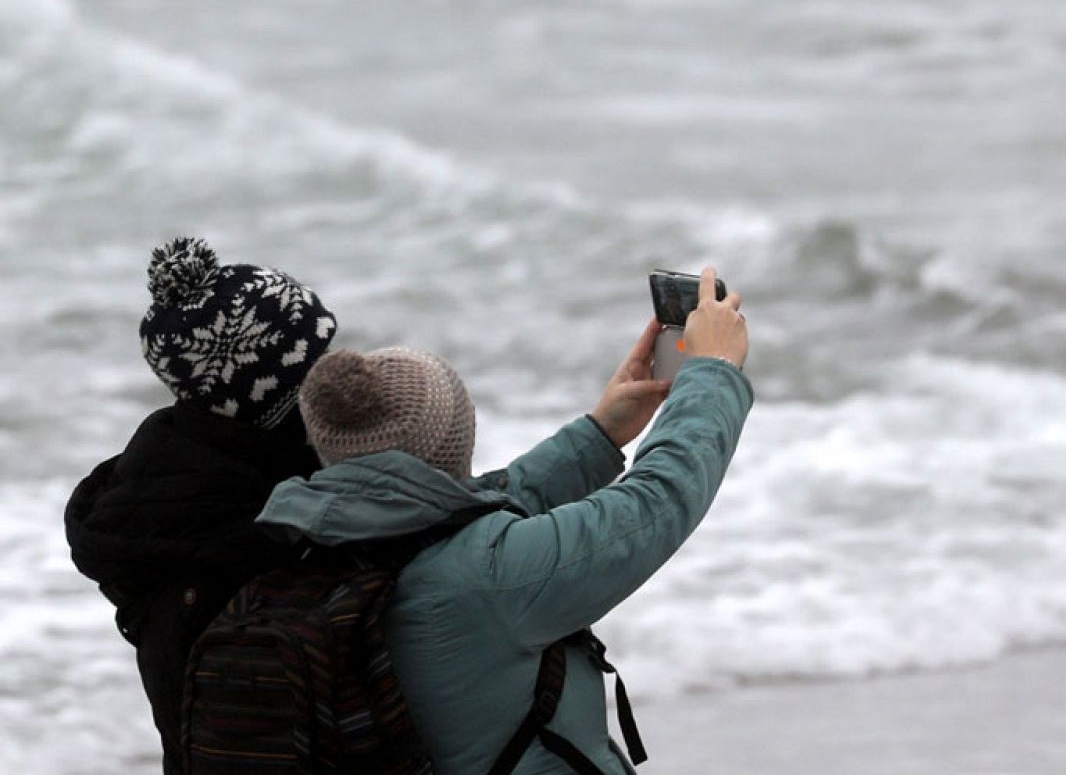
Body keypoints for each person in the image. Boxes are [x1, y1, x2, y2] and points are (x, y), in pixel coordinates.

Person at [255, 267, 753, 775]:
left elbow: (468, 505)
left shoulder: (318, 543)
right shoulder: (489, 579)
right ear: (453, 443)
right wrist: (712, 370)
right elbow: (659, 501)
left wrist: (599, 435)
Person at [62, 236, 340, 775]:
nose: (340, 376)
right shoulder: (231, 529)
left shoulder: (194, 475)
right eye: (319, 363)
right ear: (272, 392)